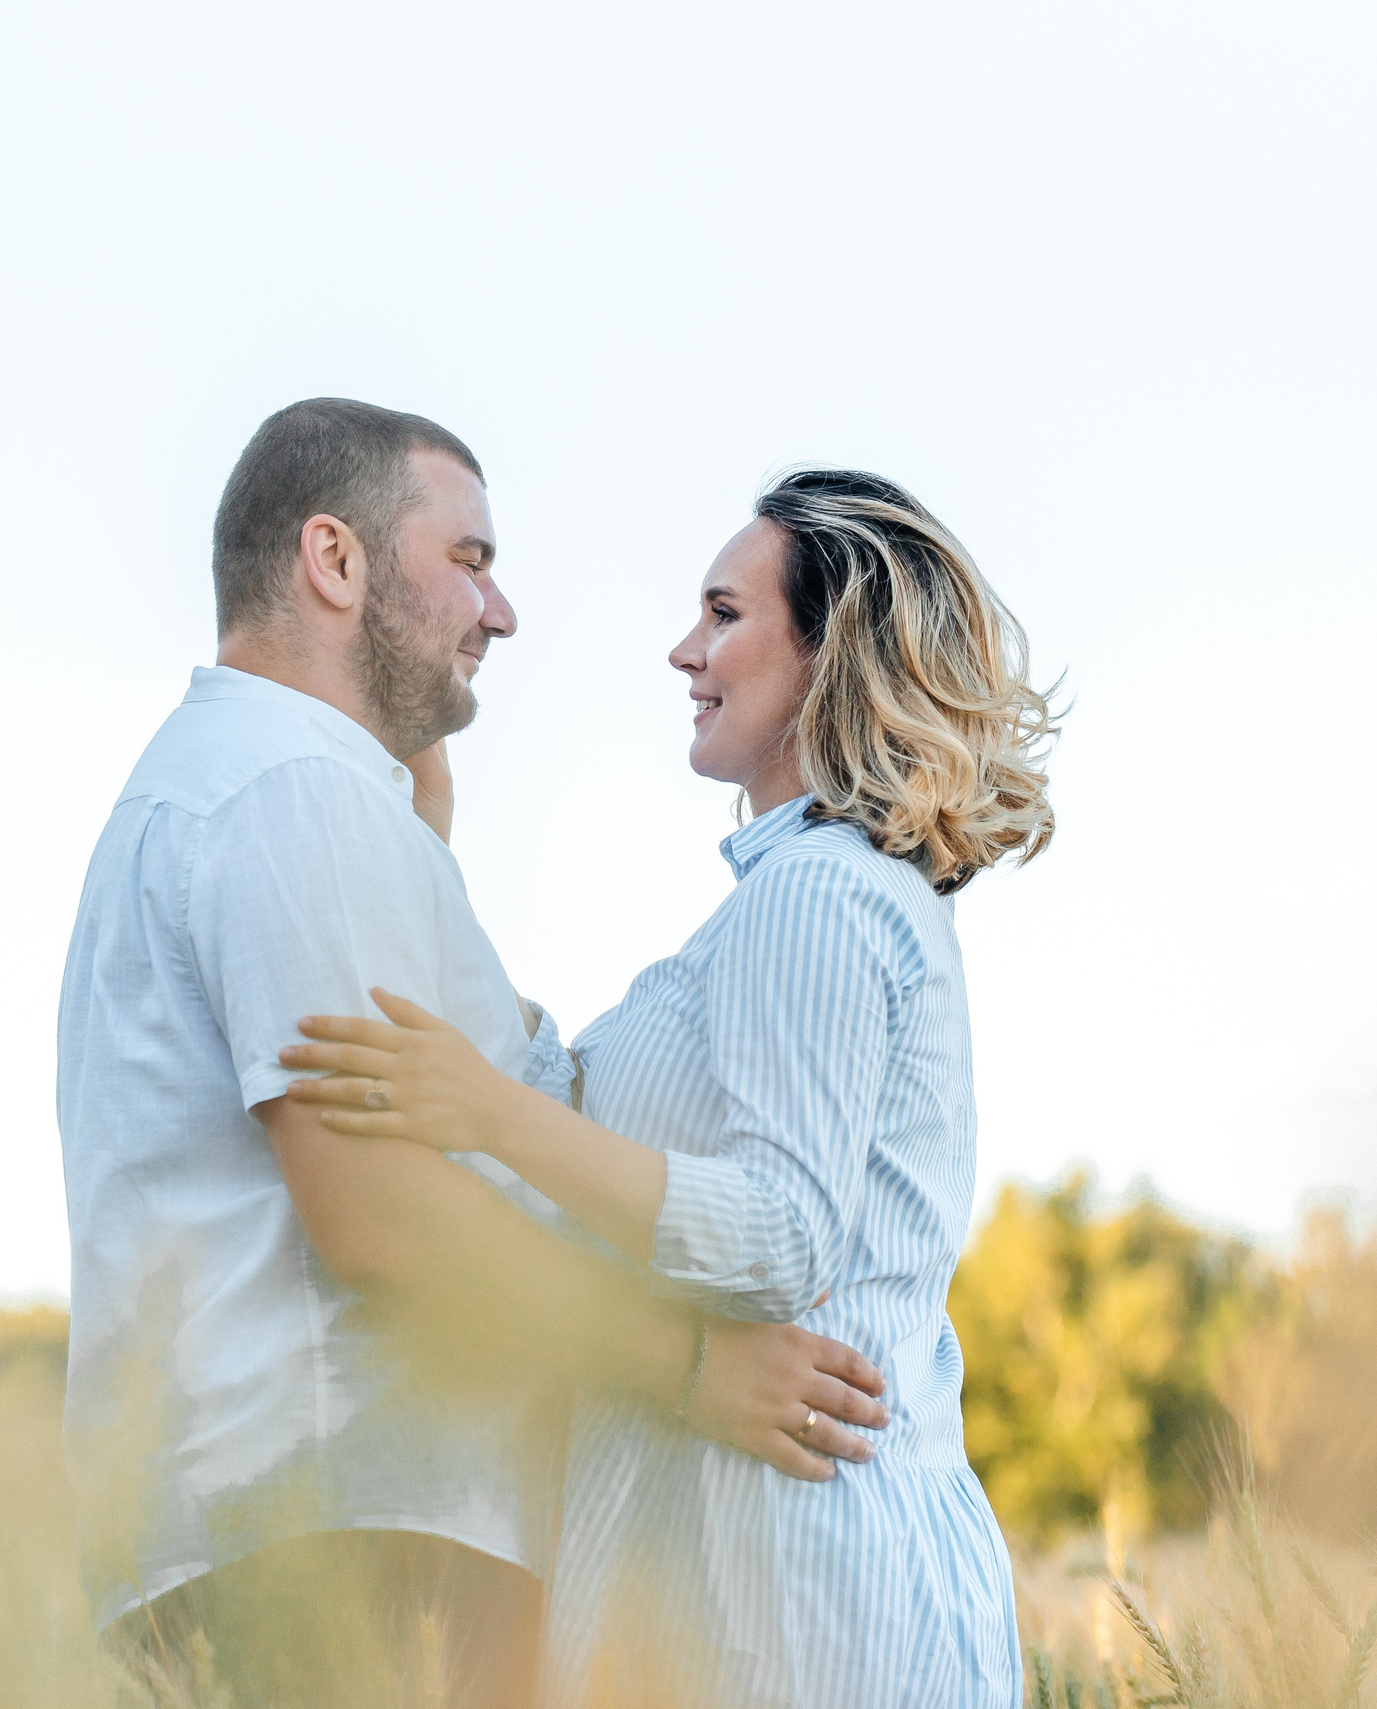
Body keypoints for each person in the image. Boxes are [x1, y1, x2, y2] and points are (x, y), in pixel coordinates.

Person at [56, 405, 887, 1709]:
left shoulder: (266, 791)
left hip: (310, 1531)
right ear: (335, 563)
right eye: (471, 557)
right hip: (352, 1532)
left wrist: (422, 847)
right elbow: (379, 1209)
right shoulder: (291, 792)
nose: (500, 612)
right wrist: (689, 1366)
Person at [282, 469, 1055, 1708]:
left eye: (724, 614)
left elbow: (775, 1236)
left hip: (803, 1601)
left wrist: (491, 1113)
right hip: (749, 1588)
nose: (683, 650)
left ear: (827, 655)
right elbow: (563, 1109)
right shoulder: (777, 910)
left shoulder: (820, 898)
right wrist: (423, 834)